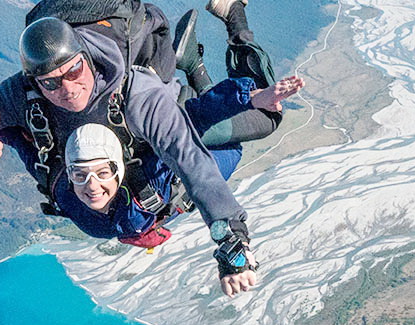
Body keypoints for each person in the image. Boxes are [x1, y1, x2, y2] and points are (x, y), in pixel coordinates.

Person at [0, 0, 288, 296]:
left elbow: (190, 162)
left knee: (265, 120)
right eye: (51, 82)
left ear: (86, 59)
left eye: (74, 71)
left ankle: (231, 15)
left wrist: (231, 242)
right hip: (147, 164)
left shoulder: (137, 94)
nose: (68, 89)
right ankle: (192, 61)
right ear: (34, 80)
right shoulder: (20, 97)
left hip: (177, 116)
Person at [56, 69, 303, 253]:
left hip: (186, 129)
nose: (91, 185)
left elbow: (192, 122)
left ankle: (197, 63)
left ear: (118, 169)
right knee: (232, 145)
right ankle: (199, 69)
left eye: (102, 173)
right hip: (183, 164)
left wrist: (252, 98)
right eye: (80, 175)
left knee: (266, 123)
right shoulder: (86, 216)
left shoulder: (142, 186)